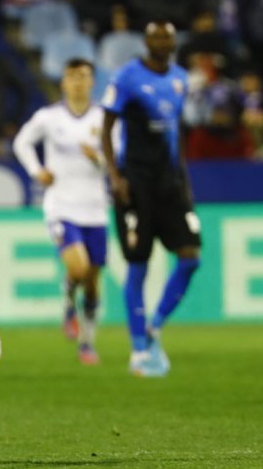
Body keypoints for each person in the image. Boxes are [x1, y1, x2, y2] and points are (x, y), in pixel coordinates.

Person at [100, 21, 201, 378]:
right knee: (138, 265)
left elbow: (176, 133)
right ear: (146, 41)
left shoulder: (179, 78)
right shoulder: (126, 77)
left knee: (190, 258)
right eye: (156, 37)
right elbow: (107, 127)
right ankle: (139, 349)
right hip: (136, 183)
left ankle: (155, 325)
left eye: (168, 37)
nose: (162, 42)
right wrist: (115, 177)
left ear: (174, 42)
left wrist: (184, 184)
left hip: (170, 184)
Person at [12, 58, 108, 365]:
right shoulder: (49, 117)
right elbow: (22, 143)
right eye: (72, 76)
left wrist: (100, 159)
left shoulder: (105, 118)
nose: (78, 82)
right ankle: (69, 299)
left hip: (95, 208)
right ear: (63, 82)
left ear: (93, 81)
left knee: (92, 282)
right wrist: (36, 171)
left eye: (83, 76)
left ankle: (87, 343)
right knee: (78, 269)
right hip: (61, 206)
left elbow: (118, 160)